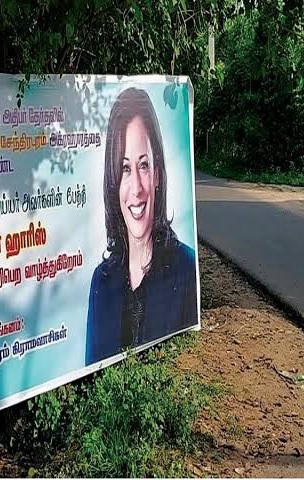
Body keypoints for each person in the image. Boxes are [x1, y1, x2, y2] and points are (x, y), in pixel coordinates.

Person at [85, 87, 198, 365]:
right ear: (113, 182)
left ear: (157, 174)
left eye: (144, 165)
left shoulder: (185, 269)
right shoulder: (101, 282)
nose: (136, 187)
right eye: (124, 169)